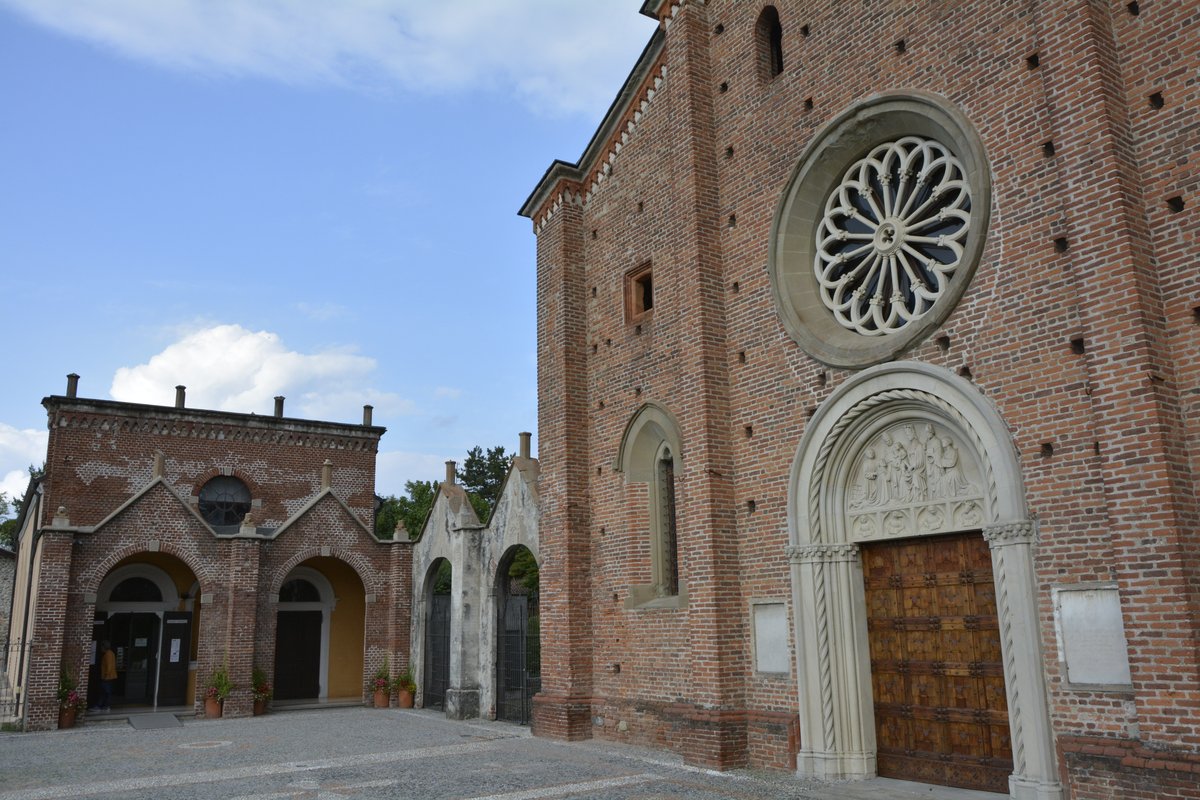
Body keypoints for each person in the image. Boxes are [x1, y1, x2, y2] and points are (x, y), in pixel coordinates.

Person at [95, 640, 116, 711]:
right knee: (105, 692)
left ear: (104, 647)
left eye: (101, 646)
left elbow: (109, 666)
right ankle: (104, 705)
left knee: (105, 692)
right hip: (109, 677)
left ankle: (103, 706)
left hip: (107, 677)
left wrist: (106, 676)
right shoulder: (111, 653)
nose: (101, 648)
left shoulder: (108, 654)